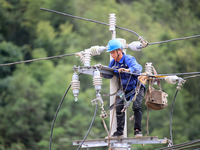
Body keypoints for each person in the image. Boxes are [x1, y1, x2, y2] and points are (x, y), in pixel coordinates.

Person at [102, 39, 145, 138]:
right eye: (111, 53)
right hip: (125, 89)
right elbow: (109, 74)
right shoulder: (113, 63)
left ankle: (137, 131)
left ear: (119, 51)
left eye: (113, 52)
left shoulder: (128, 59)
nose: (112, 55)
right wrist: (100, 72)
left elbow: (138, 68)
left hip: (136, 87)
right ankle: (119, 131)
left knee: (136, 107)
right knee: (119, 107)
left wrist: (128, 70)